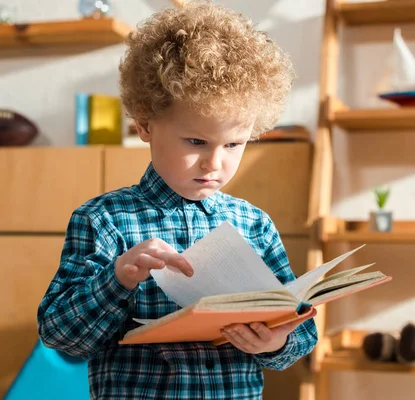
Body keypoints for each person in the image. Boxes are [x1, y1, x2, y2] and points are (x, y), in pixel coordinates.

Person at [37, 1, 318, 399]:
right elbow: (61, 337)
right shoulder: (104, 220)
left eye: (234, 144)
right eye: (196, 141)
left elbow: (302, 332)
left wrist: (273, 343)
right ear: (145, 123)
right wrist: (117, 279)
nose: (215, 162)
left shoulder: (254, 225)